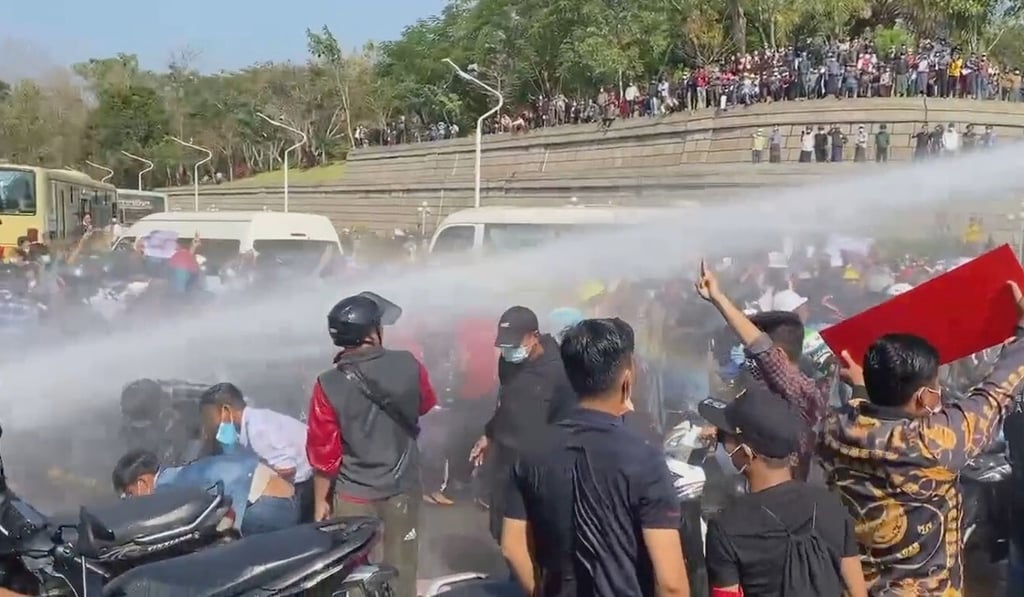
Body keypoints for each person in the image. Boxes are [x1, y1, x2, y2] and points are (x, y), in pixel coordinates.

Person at [819, 281, 1024, 595]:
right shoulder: (934, 442)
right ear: (923, 396)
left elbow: (866, 416)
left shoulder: (832, 428)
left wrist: (861, 387)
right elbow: (995, 393)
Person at [501, 318, 690, 597]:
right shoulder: (644, 458)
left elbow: (512, 546)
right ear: (627, 375)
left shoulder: (531, 453)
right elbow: (671, 585)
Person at [305, 291, 436, 597]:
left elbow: (324, 453)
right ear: (372, 332)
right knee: (402, 568)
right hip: (402, 487)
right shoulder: (409, 364)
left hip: (353, 495)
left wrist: (321, 501)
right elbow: (426, 403)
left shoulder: (327, 383)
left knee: (355, 574)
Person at [700, 387, 867, 597]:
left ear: (746, 453)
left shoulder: (726, 528)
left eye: (723, 438)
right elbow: (857, 591)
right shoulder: (832, 506)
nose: (721, 445)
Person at [695, 261, 827, 481]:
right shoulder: (766, 392)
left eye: (754, 356)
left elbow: (762, 349)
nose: (750, 359)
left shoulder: (803, 395)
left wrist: (718, 298)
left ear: (779, 356)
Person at [469, 306, 576, 541]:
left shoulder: (560, 370)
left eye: (514, 344)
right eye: (504, 345)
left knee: (537, 536)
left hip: (541, 467)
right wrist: (489, 434)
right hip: (506, 462)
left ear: (534, 336)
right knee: (502, 530)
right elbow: (506, 404)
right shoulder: (508, 363)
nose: (508, 351)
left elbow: (569, 419)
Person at [112, 448, 299, 536]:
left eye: (129, 494)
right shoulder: (178, 473)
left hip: (267, 507)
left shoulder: (164, 492)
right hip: (288, 498)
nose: (129, 501)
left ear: (142, 483)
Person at [198, 382, 314, 521]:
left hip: (305, 486)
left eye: (209, 417)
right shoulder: (251, 422)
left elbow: (288, 470)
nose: (208, 423)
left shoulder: (258, 430)